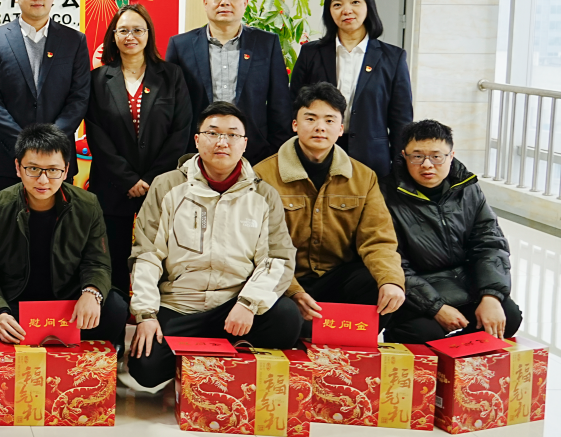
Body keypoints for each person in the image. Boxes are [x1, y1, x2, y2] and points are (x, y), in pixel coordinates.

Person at [125, 102, 300, 393]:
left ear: (244, 143)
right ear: (197, 140)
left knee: (286, 319)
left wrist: (247, 304)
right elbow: (146, 255)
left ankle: (223, 370)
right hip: (180, 304)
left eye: (232, 135)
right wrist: (146, 315)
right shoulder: (167, 186)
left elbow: (277, 259)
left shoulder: (263, 194)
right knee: (146, 369)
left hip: (234, 306)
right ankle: (214, 361)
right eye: (213, 133)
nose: (222, 142)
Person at [0, 124, 127, 386]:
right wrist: (0, 313)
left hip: (66, 304)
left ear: (66, 170)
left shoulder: (87, 205)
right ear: (18, 168)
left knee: (115, 308)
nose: (42, 180)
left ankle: (63, 362)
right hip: (15, 303)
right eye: (33, 169)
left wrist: (91, 292)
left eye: (52, 170)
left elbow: (97, 262)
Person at [253, 83, 405, 332]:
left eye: (329, 120)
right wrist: (293, 291)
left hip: (337, 279)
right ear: (295, 124)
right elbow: (259, 246)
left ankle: (333, 337)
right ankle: (316, 332)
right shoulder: (263, 175)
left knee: (379, 285)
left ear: (341, 128)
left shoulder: (363, 177)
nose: (320, 127)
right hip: (285, 281)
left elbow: (378, 240)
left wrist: (391, 281)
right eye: (310, 118)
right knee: (282, 316)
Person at [382, 120, 521, 343]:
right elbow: (392, 262)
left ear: (451, 156)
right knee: (423, 333)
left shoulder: (467, 187)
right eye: (417, 156)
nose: (427, 165)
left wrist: (491, 296)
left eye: (437, 157)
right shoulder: (386, 195)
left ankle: (462, 358)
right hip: (419, 290)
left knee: (509, 317)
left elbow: (490, 244)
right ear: (404, 156)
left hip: (466, 281)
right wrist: (436, 307)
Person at [85, 3, 192, 291]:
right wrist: (128, 179)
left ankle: (156, 311)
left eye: (137, 30)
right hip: (112, 185)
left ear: (148, 34)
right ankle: (116, 310)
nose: (130, 36)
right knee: (112, 259)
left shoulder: (171, 75)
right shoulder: (98, 79)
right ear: (113, 36)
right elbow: (96, 134)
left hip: (162, 185)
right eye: (123, 30)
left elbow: (180, 131)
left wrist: (152, 178)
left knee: (161, 255)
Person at [0, 0, 90, 196]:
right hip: (8, 158)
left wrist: (51, 144)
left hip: (57, 161)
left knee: (59, 220)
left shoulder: (74, 41)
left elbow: (79, 97)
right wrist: (24, 145)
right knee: (5, 219)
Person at [288, 0, 414, 179]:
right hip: (316, 155)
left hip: (371, 159)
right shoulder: (311, 53)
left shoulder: (392, 58)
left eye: (355, 2)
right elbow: (293, 106)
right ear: (329, 11)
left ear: (368, 6)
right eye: (337, 5)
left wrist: (400, 170)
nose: (346, 10)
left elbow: (401, 120)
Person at [166, 0, 289, 164]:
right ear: (205, 2)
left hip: (255, 153)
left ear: (245, 2)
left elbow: (280, 104)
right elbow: (170, 105)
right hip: (195, 153)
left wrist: (275, 153)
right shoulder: (180, 46)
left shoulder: (267, 43)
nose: (224, 2)